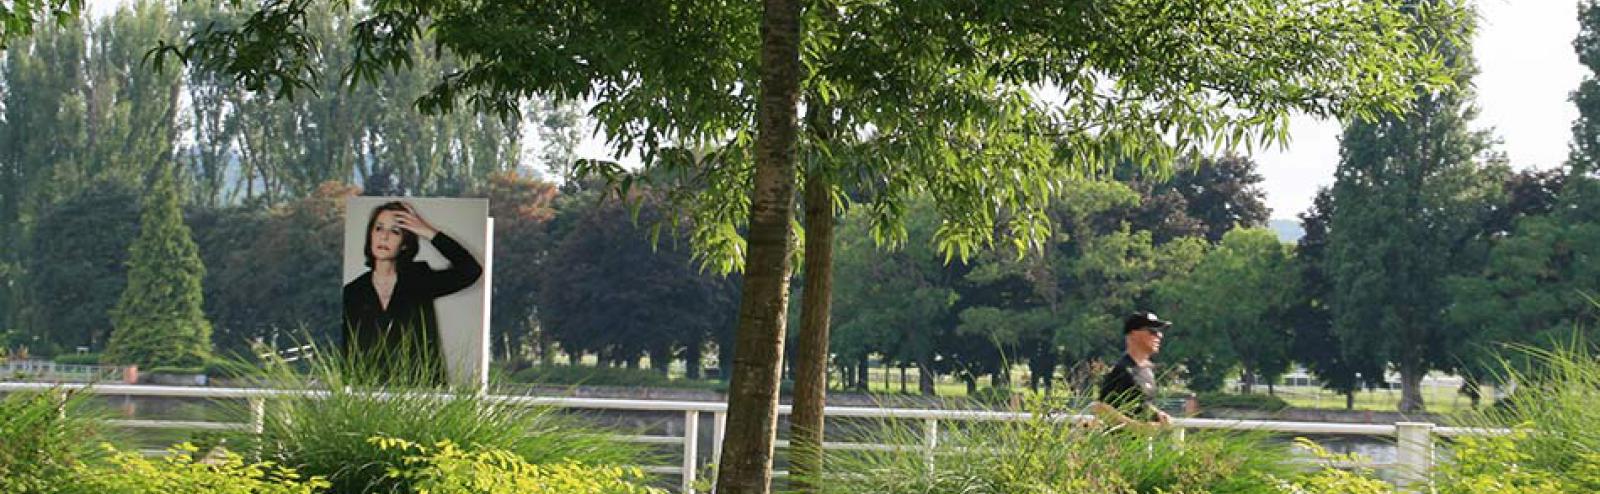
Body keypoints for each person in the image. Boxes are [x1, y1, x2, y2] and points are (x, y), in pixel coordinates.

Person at [342, 201, 482, 384]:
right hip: (367, 398)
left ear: (405, 244)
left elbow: (470, 270)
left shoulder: (418, 279)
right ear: (370, 236)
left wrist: (428, 232)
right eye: (378, 228)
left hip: (421, 396)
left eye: (395, 231)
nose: (384, 237)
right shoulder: (352, 292)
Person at [1091, 311, 1173, 431]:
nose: (1159, 336)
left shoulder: (1147, 370)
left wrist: (1157, 413)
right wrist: (1138, 428)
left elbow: (1141, 403)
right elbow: (1101, 408)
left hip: (1143, 445)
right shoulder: (1122, 370)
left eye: (1160, 331)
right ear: (1134, 333)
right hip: (1118, 446)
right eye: (1153, 331)